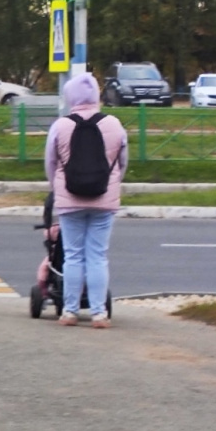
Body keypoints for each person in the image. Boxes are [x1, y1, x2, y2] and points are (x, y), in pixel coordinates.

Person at [44, 73, 127, 328]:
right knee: (98, 256)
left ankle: (69, 312)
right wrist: (112, 183)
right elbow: (122, 163)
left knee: (73, 256)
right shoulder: (114, 124)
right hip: (104, 199)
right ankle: (99, 313)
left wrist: (57, 188)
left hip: (70, 200)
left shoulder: (61, 125)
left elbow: (50, 163)